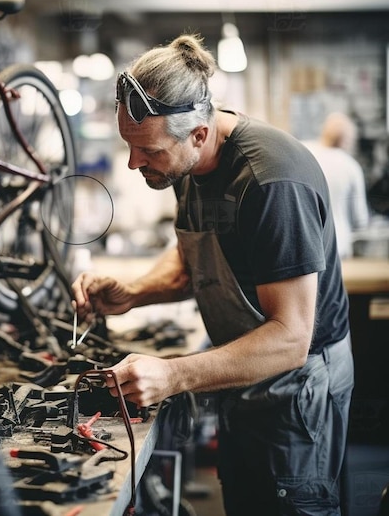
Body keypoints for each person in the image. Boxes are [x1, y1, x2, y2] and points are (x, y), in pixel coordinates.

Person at [72, 34, 354, 516]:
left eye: (149, 151)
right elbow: (193, 258)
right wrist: (132, 293)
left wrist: (174, 375)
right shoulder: (185, 164)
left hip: (296, 386)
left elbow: (290, 338)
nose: (133, 162)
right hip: (242, 373)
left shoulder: (270, 182)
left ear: (198, 134)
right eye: (129, 145)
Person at [305, 112, 369, 259]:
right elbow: (361, 218)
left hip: (307, 243)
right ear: (348, 139)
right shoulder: (351, 166)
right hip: (337, 245)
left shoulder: (307, 153)